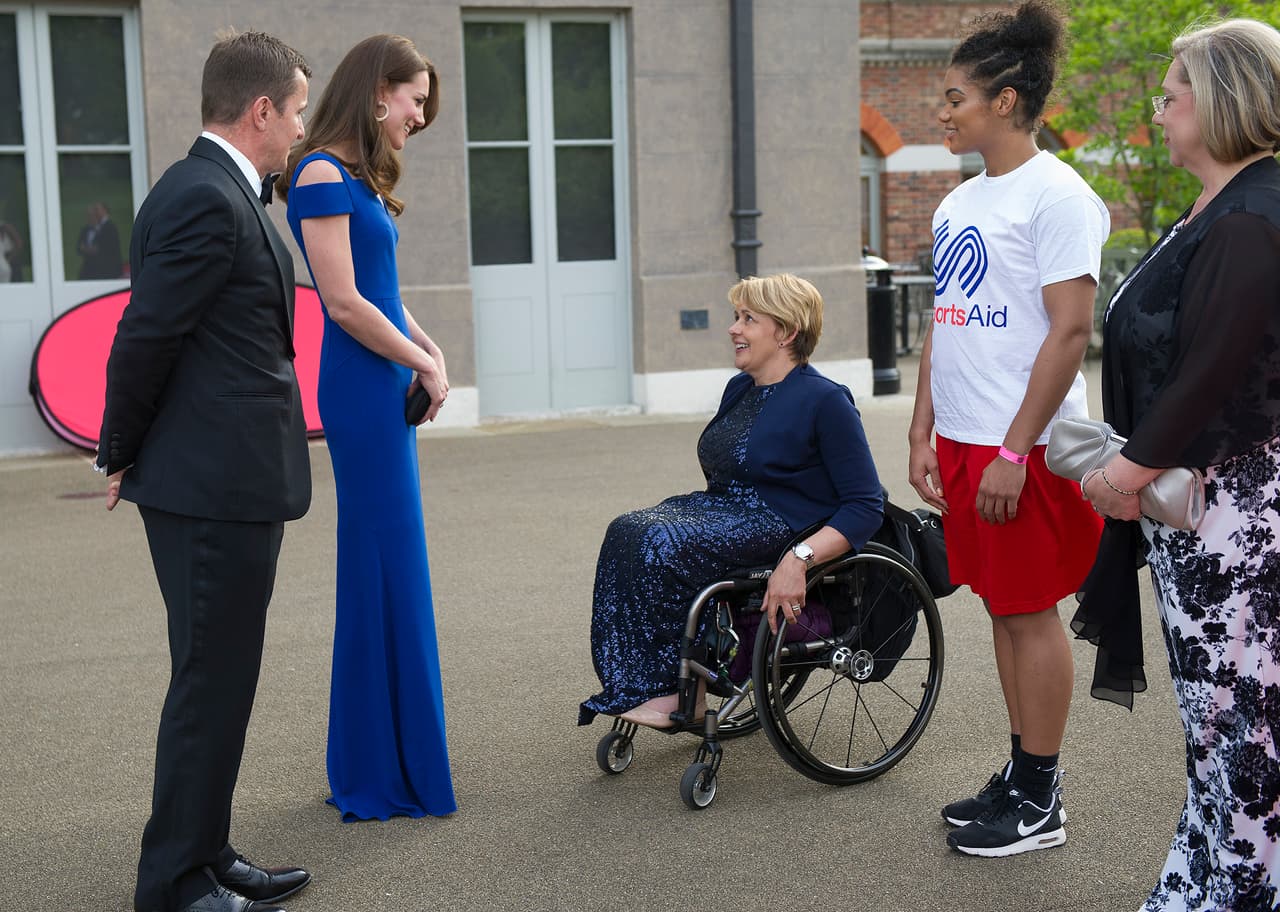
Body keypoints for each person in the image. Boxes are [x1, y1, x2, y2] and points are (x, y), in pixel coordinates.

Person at [96, 30, 313, 912]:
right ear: (260, 110)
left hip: (227, 481)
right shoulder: (202, 196)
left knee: (222, 681)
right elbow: (145, 337)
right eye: (296, 112)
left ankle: (207, 852)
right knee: (207, 686)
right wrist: (118, 448)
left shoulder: (214, 190)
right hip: (210, 488)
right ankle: (176, 883)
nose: (300, 129)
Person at [1077, 19, 1280, 911]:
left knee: (1241, 722)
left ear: (1224, 99)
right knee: (1214, 718)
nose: (1157, 113)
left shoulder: (1253, 218)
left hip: (1236, 517)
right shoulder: (1216, 208)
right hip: (1197, 512)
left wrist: (1125, 472)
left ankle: (1237, 889)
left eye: (1170, 96)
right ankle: (1204, 879)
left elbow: (1212, 371)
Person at [908, 0, 1109, 858]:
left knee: (1030, 612)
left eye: (955, 98)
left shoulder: (1059, 196)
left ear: (1005, 99)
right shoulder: (960, 201)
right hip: (964, 442)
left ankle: (1041, 800)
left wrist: (1013, 450)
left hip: (1018, 448)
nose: (943, 113)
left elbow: (1071, 331)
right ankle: (1022, 772)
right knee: (1002, 607)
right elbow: (945, 320)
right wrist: (922, 430)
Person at [579, 273, 884, 729]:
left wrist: (799, 559)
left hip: (779, 522)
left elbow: (865, 504)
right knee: (627, 529)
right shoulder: (739, 389)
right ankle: (639, 684)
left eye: (748, 319)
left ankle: (680, 694)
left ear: (786, 332)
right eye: (736, 317)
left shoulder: (826, 401)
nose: (733, 328)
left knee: (662, 540)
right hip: (723, 508)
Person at [280, 34, 455, 822]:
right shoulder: (318, 173)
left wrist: (429, 350)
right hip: (359, 387)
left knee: (393, 568)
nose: (418, 117)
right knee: (382, 567)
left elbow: (383, 291)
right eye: (414, 101)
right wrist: (421, 363)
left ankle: (384, 757)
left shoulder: (354, 178)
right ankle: (377, 767)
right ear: (378, 91)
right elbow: (345, 304)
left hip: (384, 381)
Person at [77, 201, 123, 279]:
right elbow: (79, 247)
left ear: (104, 210)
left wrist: (88, 249)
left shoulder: (109, 227)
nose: (96, 212)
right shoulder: (88, 229)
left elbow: (105, 248)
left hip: (108, 268)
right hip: (91, 268)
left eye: (97, 209)